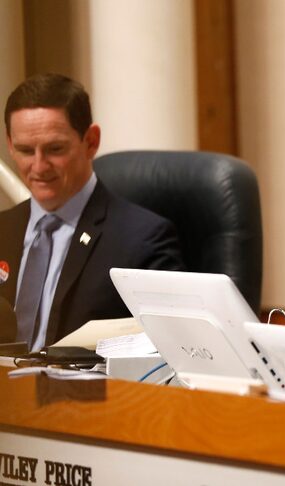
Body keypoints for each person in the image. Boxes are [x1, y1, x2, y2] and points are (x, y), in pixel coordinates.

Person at [0, 73, 184, 351]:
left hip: (88, 392)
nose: (38, 166)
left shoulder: (143, 240)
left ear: (91, 141)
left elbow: (170, 350)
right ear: (9, 145)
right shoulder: (3, 228)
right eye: (26, 150)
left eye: (55, 149)